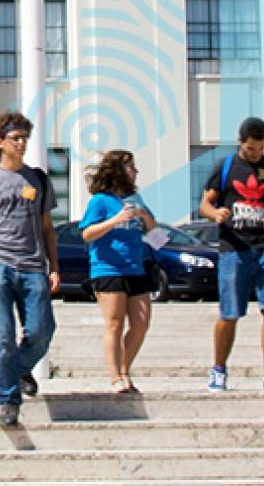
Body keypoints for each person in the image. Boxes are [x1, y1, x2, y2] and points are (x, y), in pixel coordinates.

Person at [0, 110, 59, 428]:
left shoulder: (39, 180)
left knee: (42, 330)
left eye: (24, 138)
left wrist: (54, 267)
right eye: (15, 138)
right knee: (3, 336)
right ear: (0, 142)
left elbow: (47, 228)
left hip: (32, 266)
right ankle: (8, 400)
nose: (21, 143)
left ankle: (19, 369)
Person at [199, 116, 264, 393]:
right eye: (250, 149)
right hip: (235, 248)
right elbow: (205, 204)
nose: (256, 154)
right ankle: (219, 369)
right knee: (230, 312)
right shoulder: (226, 167)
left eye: (261, 149)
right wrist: (215, 214)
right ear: (240, 143)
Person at [80, 150, 156, 394]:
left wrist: (144, 215)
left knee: (141, 322)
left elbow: (154, 233)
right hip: (108, 268)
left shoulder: (135, 198)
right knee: (115, 322)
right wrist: (115, 220)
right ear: (118, 171)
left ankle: (125, 369)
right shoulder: (100, 201)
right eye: (130, 167)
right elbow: (87, 233)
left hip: (135, 267)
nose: (135, 172)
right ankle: (115, 377)